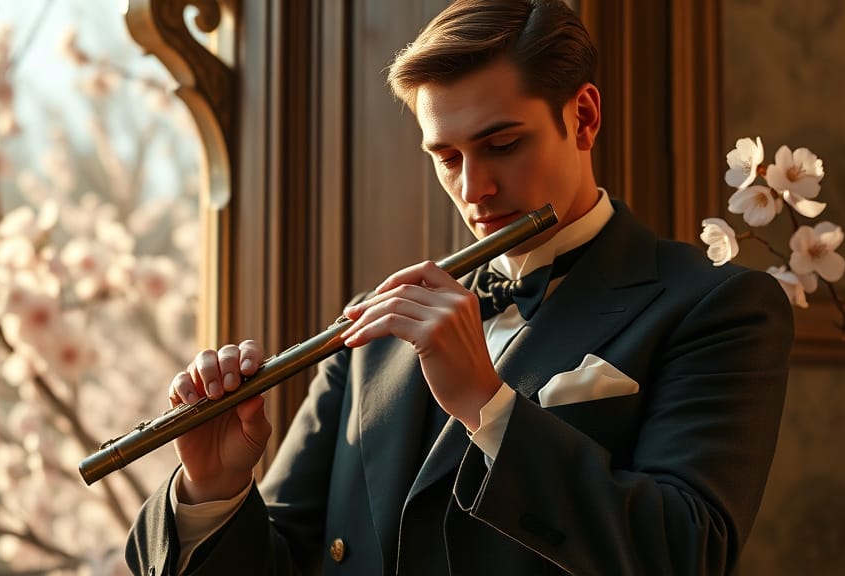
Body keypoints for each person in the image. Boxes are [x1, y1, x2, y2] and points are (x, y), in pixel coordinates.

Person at [125, 1, 793, 574]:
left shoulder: (718, 306)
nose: (474, 189)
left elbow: (685, 553)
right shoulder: (372, 334)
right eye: (447, 157)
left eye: (502, 144)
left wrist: (487, 404)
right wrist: (211, 491)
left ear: (584, 117)